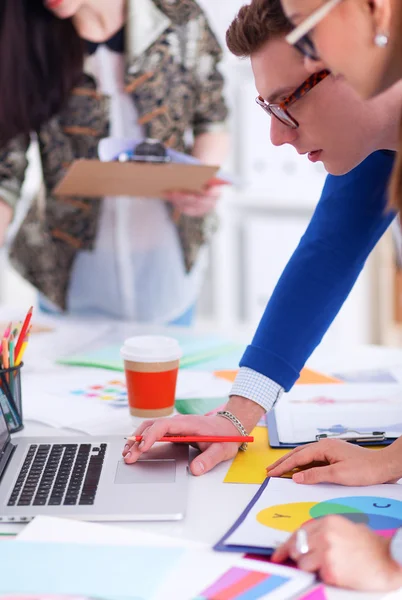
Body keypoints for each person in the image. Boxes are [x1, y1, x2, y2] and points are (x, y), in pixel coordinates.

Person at [122, 0, 402, 589]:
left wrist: (390, 566)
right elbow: (323, 259)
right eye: (267, 108)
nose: (276, 135)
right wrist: (234, 415)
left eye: (288, 101)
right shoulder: (380, 145)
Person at [0, 0, 229, 324]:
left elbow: (213, 118)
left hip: (167, 271)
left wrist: (202, 179)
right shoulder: (21, 36)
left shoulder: (178, 16)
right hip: (66, 280)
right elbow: (5, 170)